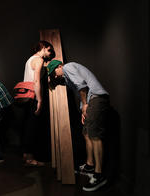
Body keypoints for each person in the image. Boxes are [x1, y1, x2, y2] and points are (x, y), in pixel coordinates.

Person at [47, 60, 109, 192]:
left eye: (55, 72)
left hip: (96, 99)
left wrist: (85, 105)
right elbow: (79, 89)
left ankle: (99, 175)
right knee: (86, 134)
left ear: (59, 66)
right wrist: (83, 109)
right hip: (91, 102)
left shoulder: (68, 67)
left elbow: (82, 87)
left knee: (94, 136)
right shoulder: (68, 77)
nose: (56, 76)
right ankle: (90, 165)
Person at [19, 41, 55, 166]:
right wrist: (39, 100)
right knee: (32, 127)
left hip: (27, 96)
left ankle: (26, 155)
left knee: (28, 125)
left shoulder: (30, 59)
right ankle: (29, 159)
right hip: (33, 96)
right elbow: (36, 81)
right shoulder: (38, 60)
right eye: (49, 50)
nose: (50, 54)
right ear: (43, 48)